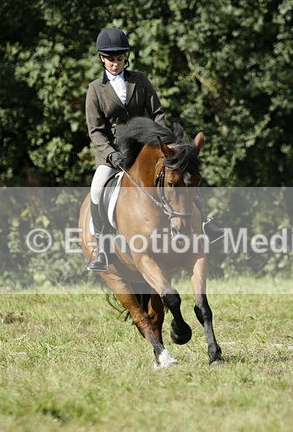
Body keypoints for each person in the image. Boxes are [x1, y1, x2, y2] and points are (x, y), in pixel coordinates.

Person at [84, 27, 223, 272]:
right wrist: (109, 153)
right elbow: (95, 130)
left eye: (119, 58)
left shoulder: (140, 80)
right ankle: (102, 247)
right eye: (110, 59)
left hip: (145, 149)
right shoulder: (95, 89)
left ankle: (205, 224)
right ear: (101, 59)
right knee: (97, 190)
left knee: (181, 174)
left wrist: (164, 141)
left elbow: (157, 113)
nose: (115, 64)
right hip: (114, 152)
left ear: (125, 57)